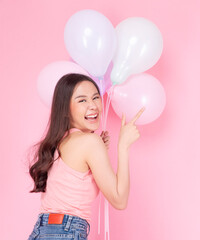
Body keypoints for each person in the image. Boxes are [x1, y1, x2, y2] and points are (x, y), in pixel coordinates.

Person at [28, 73, 145, 240]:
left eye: (96, 97)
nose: (93, 106)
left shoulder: (61, 142)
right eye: (82, 100)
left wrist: (97, 150)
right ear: (66, 109)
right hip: (65, 231)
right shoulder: (89, 142)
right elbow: (119, 200)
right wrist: (123, 146)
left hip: (43, 231)